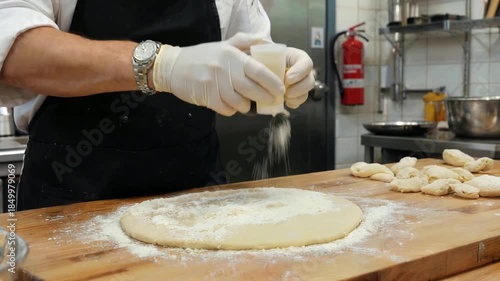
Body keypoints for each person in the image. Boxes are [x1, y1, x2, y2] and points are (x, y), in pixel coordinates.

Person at [0, 0, 315, 211]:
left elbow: (250, 56)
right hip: (69, 195)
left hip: (199, 201)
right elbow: (14, 50)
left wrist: (280, 74)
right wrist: (160, 66)